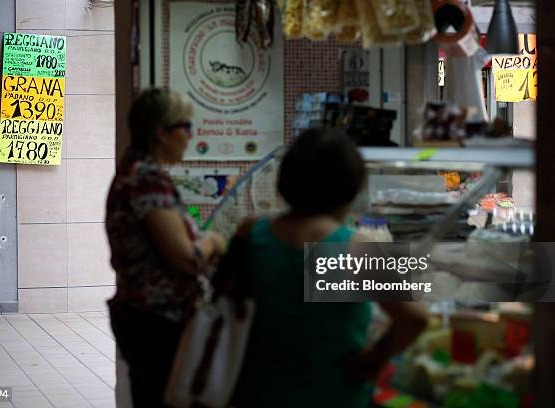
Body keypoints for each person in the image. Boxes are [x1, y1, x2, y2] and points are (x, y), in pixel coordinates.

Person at [230, 129, 428, 407]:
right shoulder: (354, 247)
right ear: (351, 186)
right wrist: (375, 358)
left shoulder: (252, 233)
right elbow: (415, 318)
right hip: (334, 392)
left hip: (257, 391)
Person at [105, 88, 227, 407]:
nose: (190, 136)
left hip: (149, 319)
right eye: (185, 127)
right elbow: (185, 258)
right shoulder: (145, 179)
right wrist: (213, 242)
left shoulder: (140, 172)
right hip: (156, 324)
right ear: (161, 132)